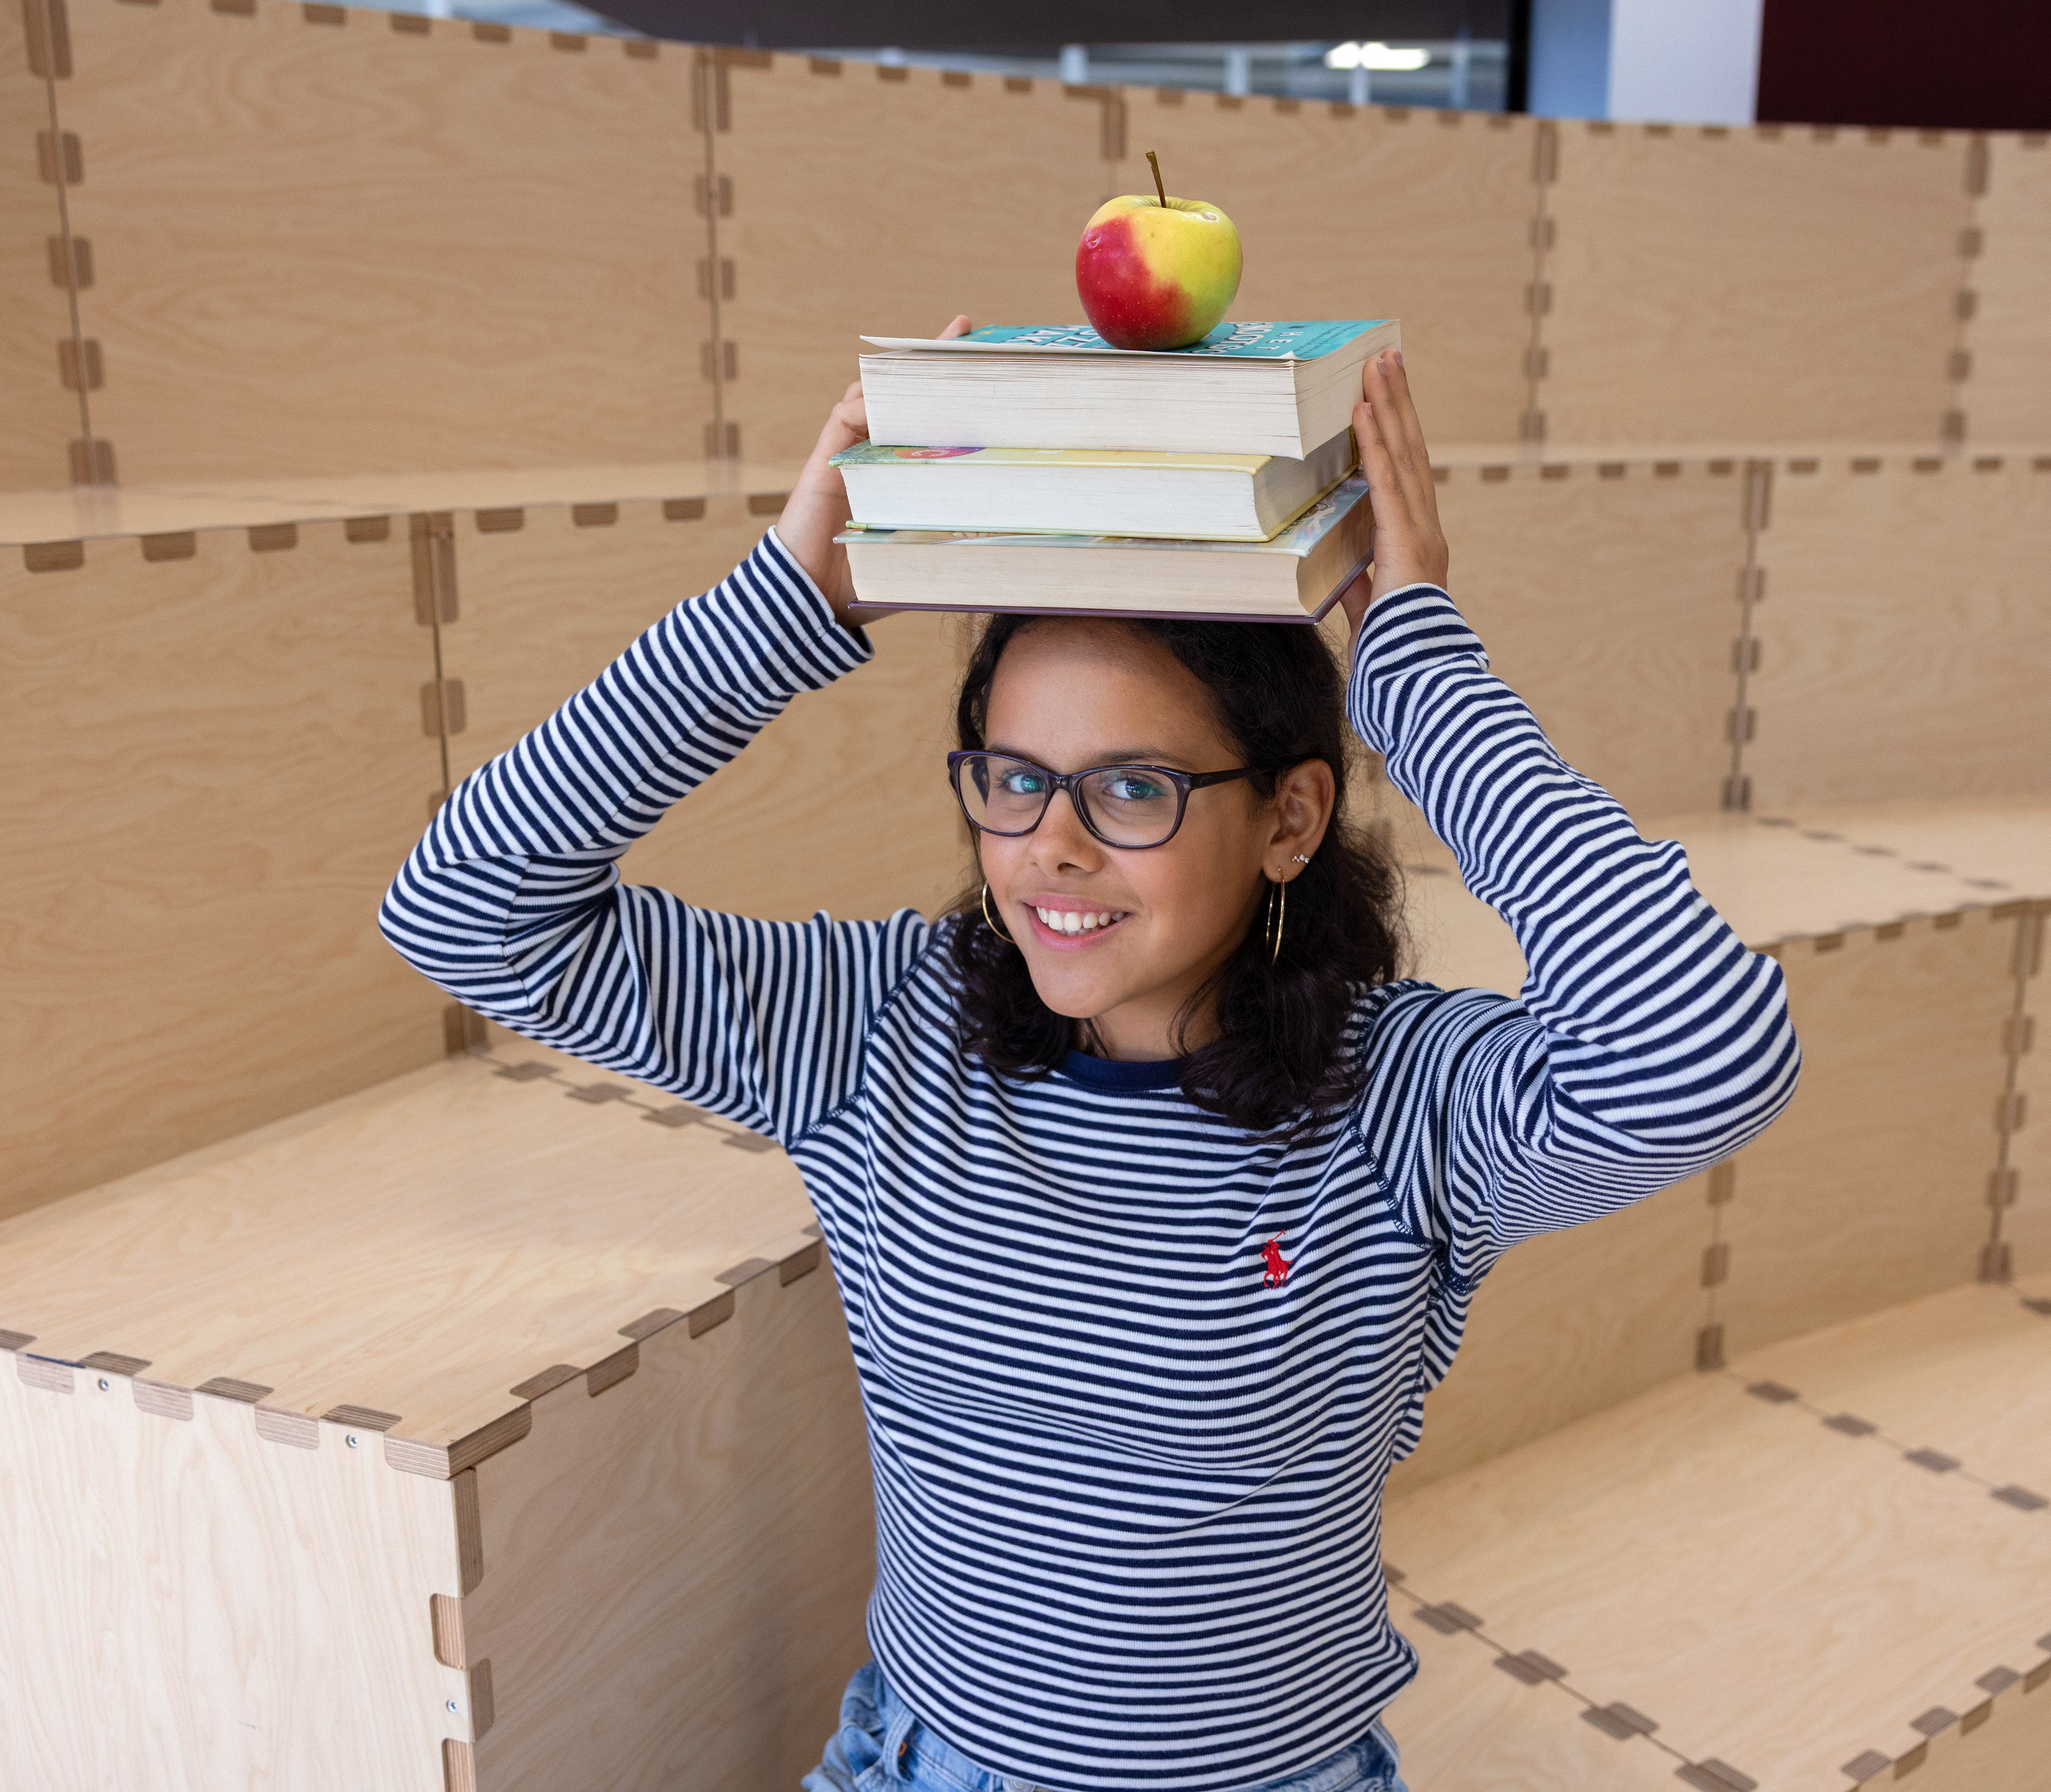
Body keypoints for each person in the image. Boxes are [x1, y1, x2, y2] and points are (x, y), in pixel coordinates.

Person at [378, 330, 1799, 1792]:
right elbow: (465, 908)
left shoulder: (1403, 1098)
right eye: (1012, 778)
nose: (1049, 843)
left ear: (1292, 822)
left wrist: (1417, 666)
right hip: (922, 1764)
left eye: (1133, 786)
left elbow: (1702, 1055)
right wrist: (784, 605)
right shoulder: (880, 1029)